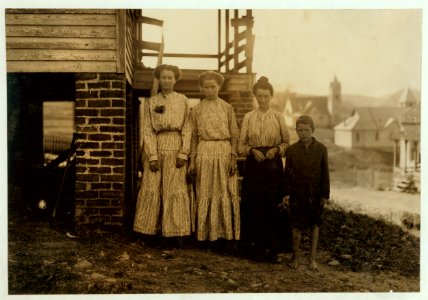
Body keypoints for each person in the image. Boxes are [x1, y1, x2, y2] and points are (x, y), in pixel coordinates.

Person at [134, 64, 192, 244]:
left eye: (170, 77)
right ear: (159, 79)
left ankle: (176, 233)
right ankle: (148, 232)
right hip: (157, 146)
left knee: (174, 189)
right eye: (164, 77)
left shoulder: (183, 100)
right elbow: (148, 130)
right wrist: (152, 155)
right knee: (152, 187)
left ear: (175, 80)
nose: (167, 81)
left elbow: (188, 128)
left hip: (176, 146)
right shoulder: (151, 102)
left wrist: (184, 153)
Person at [238, 76, 290, 262]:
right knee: (254, 206)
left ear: (272, 96)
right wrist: (251, 151)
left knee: (271, 207)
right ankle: (255, 249)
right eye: (259, 96)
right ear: (255, 96)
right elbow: (241, 145)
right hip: (254, 167)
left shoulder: (278, 117)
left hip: (273, 168)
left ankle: (273, 250)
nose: (263, 100)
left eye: (266, 96)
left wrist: (276, 149)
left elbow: (286, 142)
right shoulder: (248, 117)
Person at [189, 71, 240, 242]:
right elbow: (194, 136)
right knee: (205, 191)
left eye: (213, 86)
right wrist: (192, 161)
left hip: (223, 151)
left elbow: (234, 135)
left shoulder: (227, 108)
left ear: (219, 87)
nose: (210, 90)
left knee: (225, 191)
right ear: (202, 88)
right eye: (206, 87)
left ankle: (225, 235)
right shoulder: (196, 109)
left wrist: (233, 158)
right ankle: (204, 235)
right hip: (204, 152)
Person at [283, 115, 330, 270]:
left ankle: (312, 260)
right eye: (300, 130)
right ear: (296, 131)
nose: (303, 133)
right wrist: (287, 193)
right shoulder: (291, 150)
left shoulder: (321, 149)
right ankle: (295, 258)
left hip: (315, 194)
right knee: (296, 225)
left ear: (313, 130)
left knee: (314, 225)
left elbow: (325, 174)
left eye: (307, 130)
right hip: (297, 194)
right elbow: (287, 174)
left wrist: (324, 195)